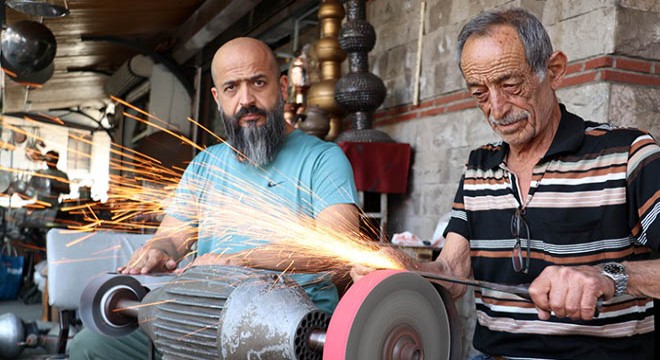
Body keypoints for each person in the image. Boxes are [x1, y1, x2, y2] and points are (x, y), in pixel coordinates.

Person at [353, 8, 659, 360]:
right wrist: (407, 268)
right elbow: (452, 273)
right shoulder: (479, 167)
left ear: (554, 70)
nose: (497, 110)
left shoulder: (627, 154)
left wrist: (610, 277)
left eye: (510, 86)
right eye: (480, 94)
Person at [69, 37, 360, 360]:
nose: (246, 100)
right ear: (218, 98)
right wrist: (156, 251)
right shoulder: (205, 165)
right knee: (89, 347)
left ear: (283, 88)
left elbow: (337, 255)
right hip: (204, 313)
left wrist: (241, 261)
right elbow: (171, 239)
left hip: (287, 324)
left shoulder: (323, 159)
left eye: (258, 83)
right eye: (232, 88)